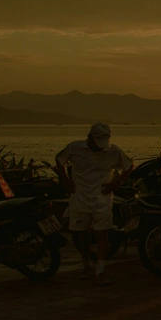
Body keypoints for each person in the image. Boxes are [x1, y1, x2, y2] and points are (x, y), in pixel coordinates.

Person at [55, 123, 132, 286]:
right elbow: (59, 159)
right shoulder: (74, 147)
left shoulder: (114, 151)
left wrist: (116, 183)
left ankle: (100, 271)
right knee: (81, 233)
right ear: (90, 137)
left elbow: (129, 165)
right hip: (79, 198)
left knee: (102, 234)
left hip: (102, 199)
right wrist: (65, 180)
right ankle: (87, 264)